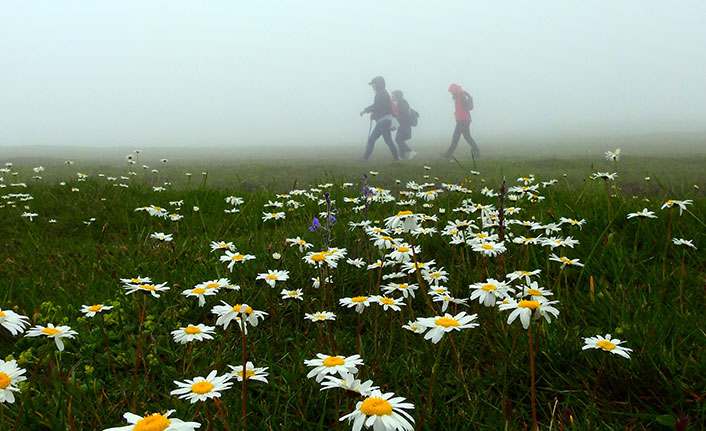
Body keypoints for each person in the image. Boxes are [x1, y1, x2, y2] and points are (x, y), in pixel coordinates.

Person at [360, 76, 400, 161]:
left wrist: (365, 110)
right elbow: (381, 108)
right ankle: (365, 158)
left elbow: (377, 106)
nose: (372, 86)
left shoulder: (381, 94)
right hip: (382, 121)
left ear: (378, 84)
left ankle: (397, 158)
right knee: (372, 140)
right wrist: (374, 115)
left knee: (387, 140)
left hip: (384, 121)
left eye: (373, 84)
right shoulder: (383, 93)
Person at [441, 83, 480, 159]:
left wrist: (459, 113)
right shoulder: (459, 96)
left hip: (463, 120)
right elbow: (461, 107)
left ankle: (448, 154)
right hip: (463, 119)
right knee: (467, 137)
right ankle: (476, 152)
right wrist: (457, 113)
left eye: (451, 91)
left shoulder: (461, 96)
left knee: (455, 137)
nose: (451, 93)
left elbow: (466, 107)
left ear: (455, 90)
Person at [391, 90, 417, 160]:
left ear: (396, 96)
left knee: (398, 139)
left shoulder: (401, 103)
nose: (391, 97)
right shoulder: (401, 102)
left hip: (404, 125)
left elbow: (401, 116)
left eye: (392, 95)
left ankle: (411, 152)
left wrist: (395, 126)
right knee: (400, 140)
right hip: (404, 125)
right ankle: (401, 157)